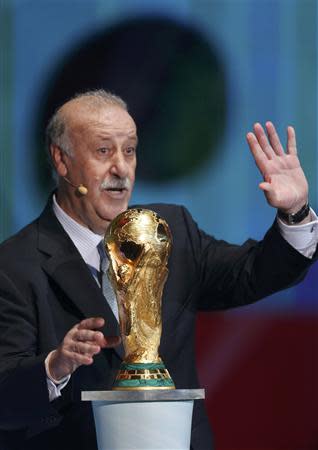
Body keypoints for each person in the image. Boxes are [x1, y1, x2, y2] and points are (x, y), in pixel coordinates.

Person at [0, 90, 317, 450]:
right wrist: (54, 367)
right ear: (62, 159)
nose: (121, 168)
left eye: (130, 150)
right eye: (104, 151)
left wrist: (295, 212)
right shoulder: (14, 266)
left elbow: (254, 273)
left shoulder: (170, 230)